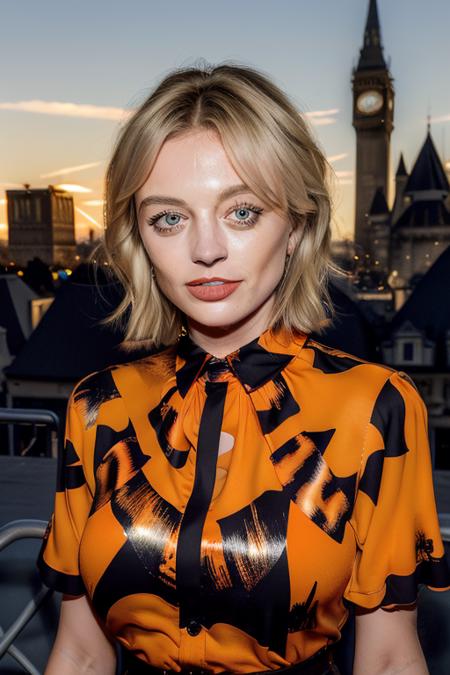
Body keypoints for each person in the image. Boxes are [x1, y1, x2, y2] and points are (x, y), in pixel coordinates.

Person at [37, 61, 450, 675]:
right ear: (140, 238)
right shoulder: (97, 406)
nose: (205, 250)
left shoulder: (377, 409)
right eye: (169, 218)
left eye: (242, 212)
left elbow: (389, 657)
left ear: (296, 226)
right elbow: (77, 650)